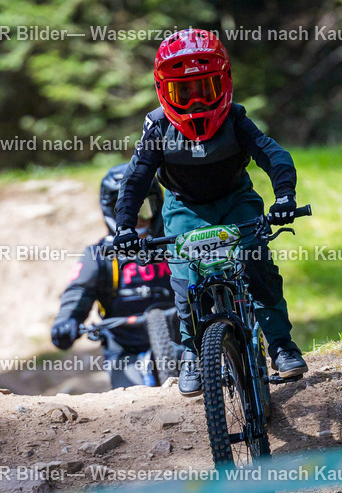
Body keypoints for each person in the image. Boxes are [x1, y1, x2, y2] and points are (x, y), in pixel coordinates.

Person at [113, 28, 308, 397]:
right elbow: (136, 178)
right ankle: (193, 353)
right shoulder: (158, 127)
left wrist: (285, 197)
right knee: (185, 280)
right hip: (184, 207)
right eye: (184, 92)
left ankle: (282, 346)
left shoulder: (235, 119)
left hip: (236, 201)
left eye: (206, 88)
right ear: (164, 91)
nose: (196, 102)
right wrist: (125, 226)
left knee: (256, 265)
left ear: (225, 83)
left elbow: (274, 155)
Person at [50, 164, 177, 388]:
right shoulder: (98, 254)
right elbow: (79, 290)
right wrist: (66, 320)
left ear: (157, 206)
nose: (135, 220)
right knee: (132, 398)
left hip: (183, 341)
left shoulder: (175, 244)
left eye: (143, 208)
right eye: (124, 212)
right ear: (111, 213)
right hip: (124, 349)